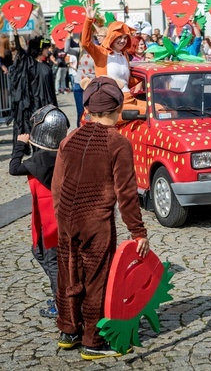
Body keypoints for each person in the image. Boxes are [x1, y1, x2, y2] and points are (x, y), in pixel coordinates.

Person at [52, 76, 149, 360]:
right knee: (97, 279)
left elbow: (57, 187)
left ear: (88, 108)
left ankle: (68, 330)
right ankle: (93, 341)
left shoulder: (69, 139)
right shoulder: (118, 143)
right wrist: (138, 232)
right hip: (96, 222)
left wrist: (63, 217)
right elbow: (127, 194)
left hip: (67, 219)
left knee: (68, 275)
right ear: (118, 107)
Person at [8, 105, 69, 319]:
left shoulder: (38, 161)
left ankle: (61, 304)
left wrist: (19, 145)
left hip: (52, 224)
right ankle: (63, 294)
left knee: (53, 263)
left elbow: (14, 168)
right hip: (59, 219)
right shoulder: (65, 155)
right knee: (40, 253)